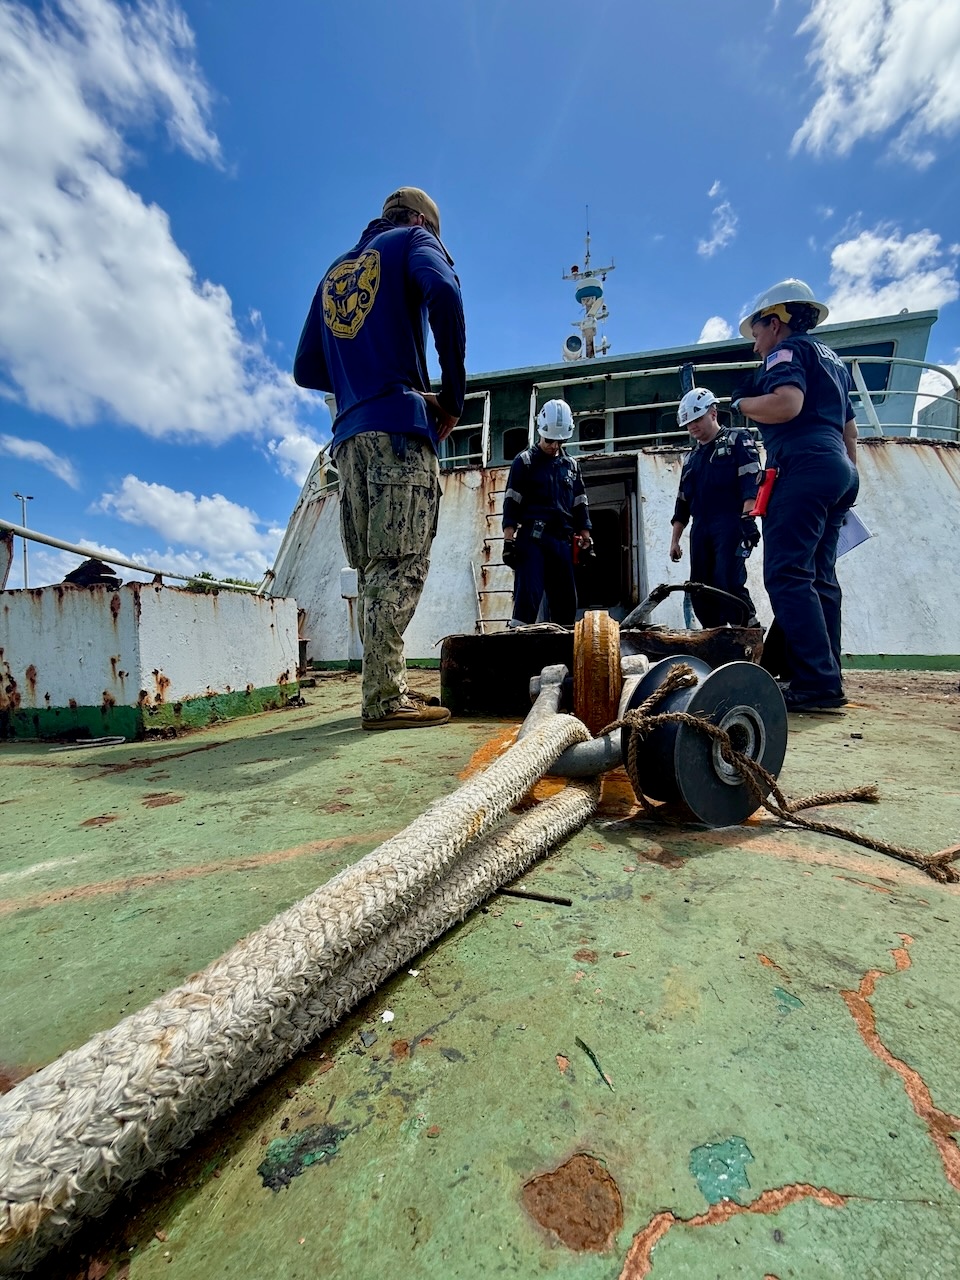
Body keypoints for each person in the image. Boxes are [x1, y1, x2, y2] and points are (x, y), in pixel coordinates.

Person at [293, 187, 466, 730]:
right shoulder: (414, 241)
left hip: (347, 440)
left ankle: (381, 687)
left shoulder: (333, 273)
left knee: (371, 568)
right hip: (397, 430)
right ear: (419, 220)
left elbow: (306, 369)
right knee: (403, 563)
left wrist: (356, 380)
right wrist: (451, 397)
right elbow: (443, 290)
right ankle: (386, 698)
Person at [731, 278, 859, 712]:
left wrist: (740, 404)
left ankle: (816, 684)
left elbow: (787, 404)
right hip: (837, 468)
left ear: (775, 323)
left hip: (802, 465)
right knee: (822, 577)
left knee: (788, 575)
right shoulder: (833, 361)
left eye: (756, 335)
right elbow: (849, 428)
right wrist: (847, 477)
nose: (755, 347)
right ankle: (827, 677)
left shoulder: (786, 353)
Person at [669, 387, 761, 628]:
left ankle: (748, 630)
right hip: (701, 527)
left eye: (697, 419)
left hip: (730, 521)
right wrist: (675, 540)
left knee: (727, 580)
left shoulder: (737, 439)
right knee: (699, 588)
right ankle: (715, 637)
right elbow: (682, 503)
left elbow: (751, 480)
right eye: (688, 423)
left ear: (713, 413)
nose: (692, 427)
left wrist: (748, 518)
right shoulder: (691, 458)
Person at [501, 399, 593, 626]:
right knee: (528, 597)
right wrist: (508, 541)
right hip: (533, 538)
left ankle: (563, 653)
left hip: (561, 540)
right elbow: (512, 503)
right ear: (540, 433)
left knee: (566, 602)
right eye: (549, 440)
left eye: (559, 441)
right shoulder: (524, 462)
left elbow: (580, 504)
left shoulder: (571, 466)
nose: (554, 446)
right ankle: (519, 651)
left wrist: (586, 538)